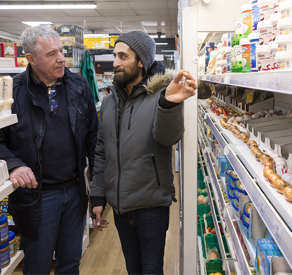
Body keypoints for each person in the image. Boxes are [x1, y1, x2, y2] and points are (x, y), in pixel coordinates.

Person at [90, 31, 209, 274]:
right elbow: (102, 152)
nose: (115, 63)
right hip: (121, 205)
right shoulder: (110, 102)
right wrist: (98, 197)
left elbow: (168, 137)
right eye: (115, 56)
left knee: (152, 269)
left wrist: (168, 105)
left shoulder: (162, 96)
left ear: (141, 61)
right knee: (133, 268)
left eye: (123, 56)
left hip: (151, 204)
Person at [0, 25, 100, 274]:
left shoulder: (79, 86)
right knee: (37, 265)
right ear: (31, 59)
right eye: (50, 54)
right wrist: (14, 164)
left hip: (75, 193)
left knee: (70, 263)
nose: (60, 59)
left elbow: (93, 139)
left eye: (61, 51)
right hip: (36, 197)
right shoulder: (10, 93)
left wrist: (98, 191)